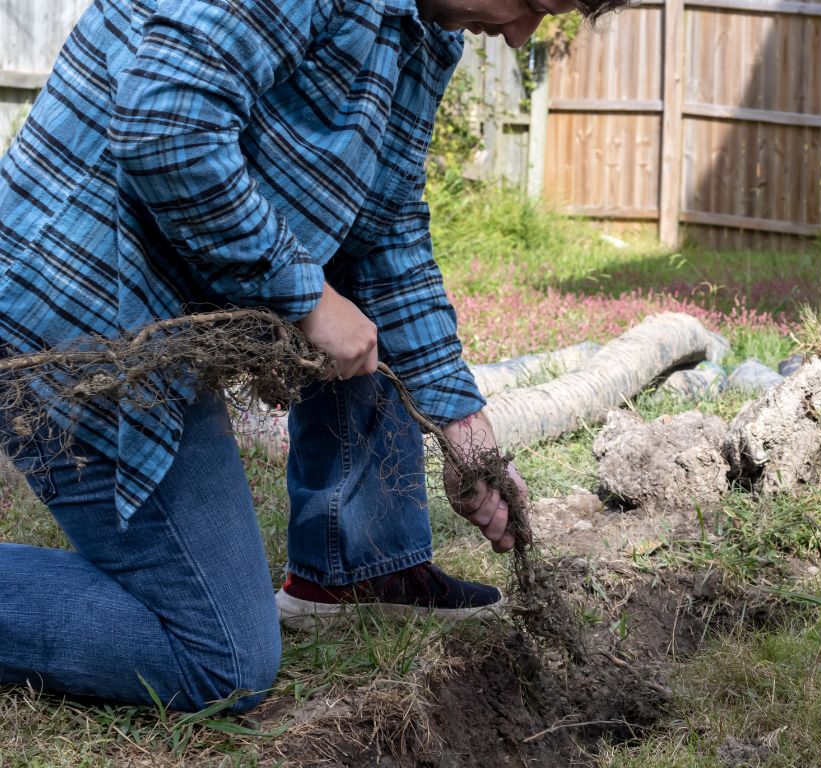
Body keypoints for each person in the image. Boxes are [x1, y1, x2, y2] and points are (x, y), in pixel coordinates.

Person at [0, 0, 621, 714]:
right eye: (534, 4)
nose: (521, 35)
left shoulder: (426, 36)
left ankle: (357, 567)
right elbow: (165, 124)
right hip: (70, 308)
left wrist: (464, 429)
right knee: (221, 658)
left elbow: (387, 237)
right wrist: (306, 300)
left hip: (158, 334)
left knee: (358, 286)